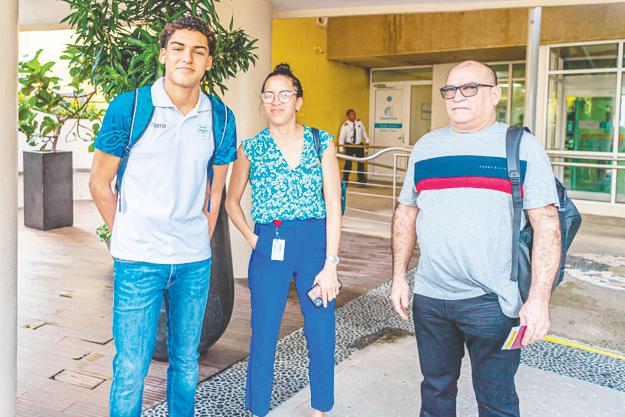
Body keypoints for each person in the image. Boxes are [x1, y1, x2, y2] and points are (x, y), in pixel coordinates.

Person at [390, 60, 561, 417]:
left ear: (494, 95)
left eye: (470, 88)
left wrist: (538, 299)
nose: (457, 96)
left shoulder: (522, 146)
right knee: (435, 393)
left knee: (497, 402)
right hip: (431, 298)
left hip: (493, 302)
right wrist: (399, 277)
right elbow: (406, 213)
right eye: (450, 90)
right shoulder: (426, 147)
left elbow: (547, 225)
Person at [89, 16, 237, 417]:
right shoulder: (130, 107)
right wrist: (128, 236)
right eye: (178, 48)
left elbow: (215, 193)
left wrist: (199, 239)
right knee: (131, 368)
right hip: (138, 260)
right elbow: (100, 183)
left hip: (193, 262)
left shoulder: (221, 117)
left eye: (198, 51)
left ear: (208, 62)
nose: (187, 57)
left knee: (186, 363)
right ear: (163, 55)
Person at [225, 63, 342, 417]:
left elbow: (334, 206)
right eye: (269, 95)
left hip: (314, 245)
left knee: (321, 332)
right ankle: (257, 409)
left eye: (284, 94)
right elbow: (231, 201)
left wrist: (331, 264)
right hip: (269, 244)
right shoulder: (251, 148)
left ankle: (320, 409)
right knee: (263, 334)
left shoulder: (321, 142)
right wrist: (253, 239)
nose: (276, 101)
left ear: (298, 101)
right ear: (262, 101)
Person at [338, 108, 369, 183]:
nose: (354, 115)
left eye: (354, 114)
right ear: (348, 116)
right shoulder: (345, 125)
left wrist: (367, 140)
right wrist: (341, 149)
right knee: (348, 163)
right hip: (350, 146)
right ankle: (345, 178)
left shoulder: (359, 123)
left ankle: (361, 179)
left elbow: (364, 132)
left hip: (359, 145)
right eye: (352, 114)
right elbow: (341, 137)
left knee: (361, 162)